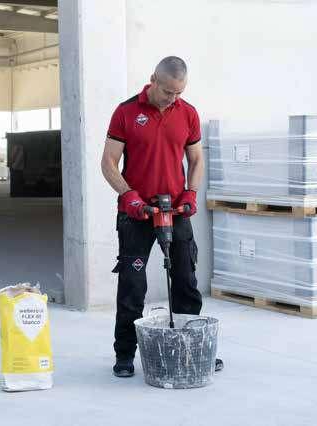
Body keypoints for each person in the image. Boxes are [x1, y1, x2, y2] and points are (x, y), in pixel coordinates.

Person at [101, 56, 224, 378]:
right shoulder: (126, 112)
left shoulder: (188, 113)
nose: (173, 98)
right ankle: (125, 355)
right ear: (153, 79)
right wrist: (128, 195)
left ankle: (194, 349)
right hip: (136, 213)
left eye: (179, 93)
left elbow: (196, 160)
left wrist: (191, 193)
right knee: (132, 288)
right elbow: (108, 163)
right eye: (168, 91)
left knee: (186, 283)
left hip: (175, 211)